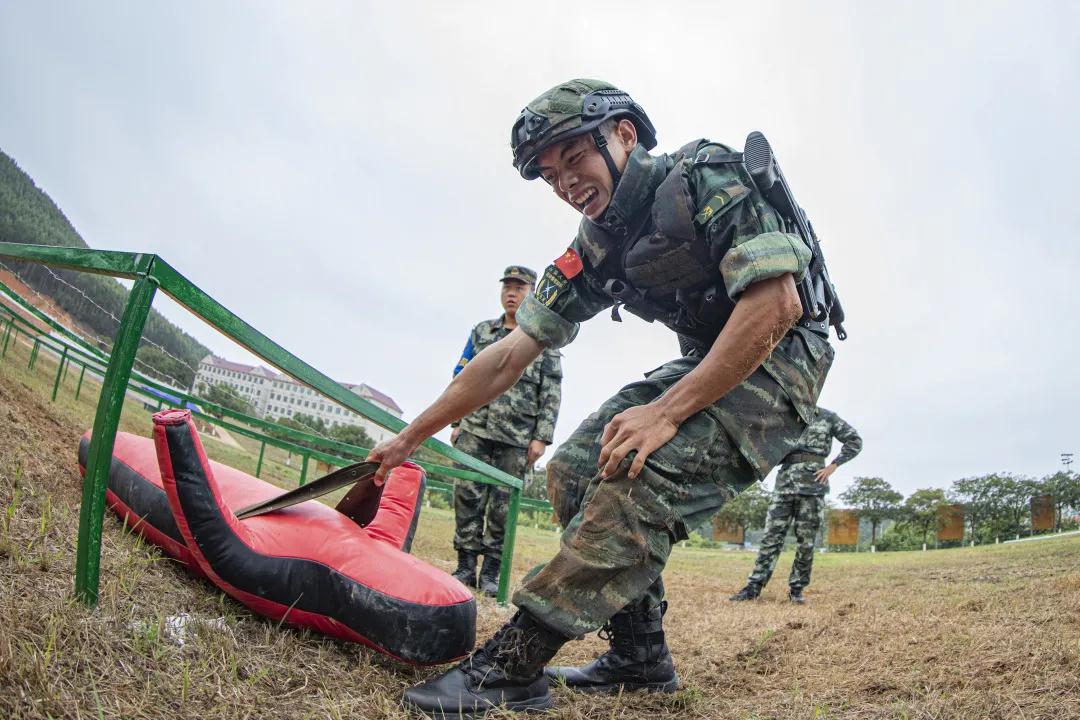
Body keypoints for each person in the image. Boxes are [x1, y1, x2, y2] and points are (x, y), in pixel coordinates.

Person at [368, 78, 838, 716]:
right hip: (708, 360)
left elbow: (777, 302)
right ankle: (640, 656)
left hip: (784, 356)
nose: (565, 184)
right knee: (573, 469)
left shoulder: (705, 176)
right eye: (550, 175)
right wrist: (411, 435)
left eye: (574, 159)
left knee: (639, 472)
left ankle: (515, 663)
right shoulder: (596, 244)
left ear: (623, 134)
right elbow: (510, 352)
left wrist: (666, 413)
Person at [449, 265, 563, 597]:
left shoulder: (545, 339)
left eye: (520, 287)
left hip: (516, 437)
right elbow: (461, 377)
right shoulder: (482, 332)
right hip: (475, 430)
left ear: (532, 292)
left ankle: (491, 573)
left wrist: (541, 437)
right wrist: (456, 423)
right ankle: (466, 566)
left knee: (502, 507)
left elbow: (551, 391)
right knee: (466, 497)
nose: (511, 293)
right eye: (507, 287)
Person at [730, 407, 862, 604]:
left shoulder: (827, 418)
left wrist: (833, 466)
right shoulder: (786, 417)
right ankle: (753, 587)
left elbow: (854, 441)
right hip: (784, 484)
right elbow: (766, 443)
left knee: (806, 542)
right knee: (770, 538)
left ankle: (797, 590)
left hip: (813, 486)